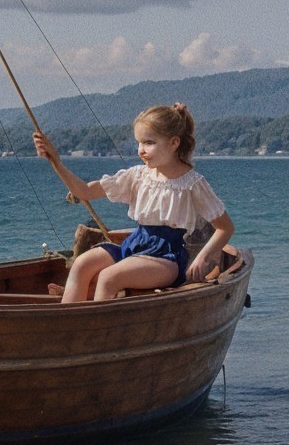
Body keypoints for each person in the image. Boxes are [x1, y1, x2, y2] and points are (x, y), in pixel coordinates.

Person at [33, 104, 234, 303]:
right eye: (139, 143)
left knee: (108, 277)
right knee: (81, 264)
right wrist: (57, 162)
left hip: (167, 257)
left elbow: (225, 228)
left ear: (174, 143)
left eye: (149, 143)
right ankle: (71, 327)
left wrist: (202, 257)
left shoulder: (192, 184)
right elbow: (84, 191)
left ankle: (100, 332)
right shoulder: (138, 176)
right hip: (134, 246)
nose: (141, 150)